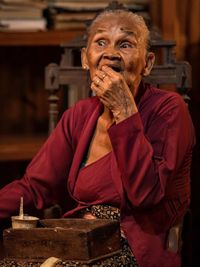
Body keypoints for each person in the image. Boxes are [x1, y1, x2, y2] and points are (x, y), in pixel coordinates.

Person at [0, 4, 195, 267]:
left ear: (148, 64)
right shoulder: (79, 115)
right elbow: (35, 187)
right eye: (101, 42)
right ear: (85, 58)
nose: (110, 54)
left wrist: (124, 109)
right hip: (79, 241)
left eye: (125, 44)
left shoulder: (169, 110)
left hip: (133, 247)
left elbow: (145, 194)